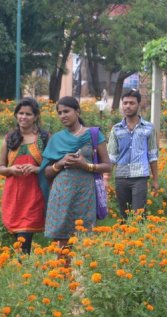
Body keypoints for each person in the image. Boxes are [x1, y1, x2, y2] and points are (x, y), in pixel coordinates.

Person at [39, 96, 111, 250]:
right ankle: (62, 273)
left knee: (84, 238)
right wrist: (60, 163)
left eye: (67, 111)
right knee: (61, 239)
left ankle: (80, 273)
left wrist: (86, 165)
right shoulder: (56, 139)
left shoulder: (93, 134)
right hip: (61, 194)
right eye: (59, 112)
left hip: (85, 193)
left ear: (77, 111)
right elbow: (46, 172)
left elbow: (107, 166)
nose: (63, 115)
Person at [0, 97, 49, 254]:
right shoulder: (9, 139)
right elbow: (1, 168)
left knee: (24, 238)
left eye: (28, 114)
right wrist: (11, 170)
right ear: (16, 115)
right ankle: (24, 270)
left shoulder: (44, 138)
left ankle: (24, 271)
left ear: (35, 117)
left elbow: (53, 166)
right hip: (14, 195)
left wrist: (36, 169)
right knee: (18, 242)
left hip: (35, 194)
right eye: (20, 113)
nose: (23, 117)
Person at [107, 89, 159, 219]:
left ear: (139, 104)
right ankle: (126, 239)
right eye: (125, 103)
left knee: (138, 215)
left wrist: (155, 180)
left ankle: (139, 238)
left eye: (131, 103)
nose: (128, 106)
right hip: (121, 177)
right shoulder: (116, 129)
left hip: (140, 177)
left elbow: (153, 155)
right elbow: (112, 156)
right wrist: (106, 179)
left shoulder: (148, 128)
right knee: (124, 215)